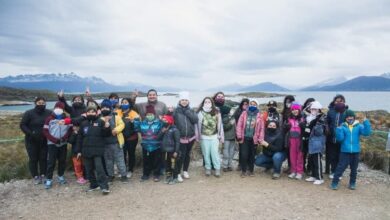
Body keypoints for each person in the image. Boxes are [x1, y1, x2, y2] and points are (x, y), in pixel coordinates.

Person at [330, 110, 371, 190]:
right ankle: (334, 183)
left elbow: (367, 133)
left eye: (351, 116)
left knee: (354, 169)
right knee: (340, 168)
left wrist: (366, 122)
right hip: (345, 151)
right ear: (345, 118)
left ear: (354, 117)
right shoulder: (342, 126)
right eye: (348, 117)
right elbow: (340, 139)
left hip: (355, 151)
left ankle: (352, 183)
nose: (350, 118)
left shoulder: (359, 126)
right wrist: (338, 130)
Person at [76, 105, 111, 195]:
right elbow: (80, 138)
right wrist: (79, 151)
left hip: (97, 150)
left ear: (96, 113)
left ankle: (104, 187)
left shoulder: (100, 122)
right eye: (89, 112)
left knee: (99, 169)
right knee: (88, 169)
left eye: (93, 112)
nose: (91, 113)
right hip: (86, 151)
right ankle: (94, 185)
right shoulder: (83, 124)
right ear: (86, 113)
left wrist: (107, 127)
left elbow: (106, 135)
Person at [20, 96, 52, 184]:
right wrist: (31, 133)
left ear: (45, 103)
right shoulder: (29, 113)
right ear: (35, 103)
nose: (41, 104)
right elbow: (23, 125)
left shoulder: (49, 112)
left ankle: (43, 174)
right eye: (39, 103)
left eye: (43, 103)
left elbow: (55, 122)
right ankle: (35, 176)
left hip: (45, 140)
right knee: (33, 158)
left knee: (43, 158)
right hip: (31, 140)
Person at [42, 102, 73, 189]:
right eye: (57, 107)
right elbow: (45, 131)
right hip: (52, 144)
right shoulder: (49, 119)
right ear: (54, 108)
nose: (58, 109)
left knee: (62, 160)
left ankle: (60, 175)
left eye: (61, 107)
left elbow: (70, 129)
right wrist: (54, 140)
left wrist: (64, 138)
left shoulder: (66, 118)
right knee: (51, 162)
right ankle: (49, 179)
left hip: (63, 143)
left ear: (63, 109)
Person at [100, 99, 128, 183]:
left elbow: (122, 124)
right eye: (103, 107)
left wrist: (116, 130)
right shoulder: (100, 118)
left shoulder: (116, 116)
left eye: (106, 107)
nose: (105, 109)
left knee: (120, 160)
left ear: (110, 108)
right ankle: (111, 175)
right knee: (108, 161)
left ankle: (123, 175)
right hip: (105, 144)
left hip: (116, 143)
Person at [134, 105, 164, 182]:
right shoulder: (143, 123)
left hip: (156, 145)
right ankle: (146, 174)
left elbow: (164, 129)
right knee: (146, 161)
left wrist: (163, 121)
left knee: (157, 160)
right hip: (146, 145)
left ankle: (156, 174)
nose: (149, 116)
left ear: (154, 115)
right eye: (148, 115)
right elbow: (137, 129)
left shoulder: (158, 123)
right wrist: (136, 121)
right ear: (146, 115)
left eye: (151, 114)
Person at [173, 91, 198, 181]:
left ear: (188, 101)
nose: (184, 101)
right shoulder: (175, 111)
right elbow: (173, 124)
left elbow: (195, 120)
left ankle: (185, 171)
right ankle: (178, 173)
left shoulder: (191, 110)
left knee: (187, 154)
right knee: (180, 155)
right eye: (182, 100)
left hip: (190, 137)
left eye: (186, 100)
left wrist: (188, 113)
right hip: (180, 138)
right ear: (179, 101)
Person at [236, 99, 265, 177]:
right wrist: (239, 136)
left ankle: (251, 170)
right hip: (244, 137)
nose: (252, 105)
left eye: (254, 104)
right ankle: (244, 170)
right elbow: (239, 125)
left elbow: (262, 128)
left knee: (252, 155)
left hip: (254, 139)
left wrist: (260, 139)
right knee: (244, 154)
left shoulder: (259, 116)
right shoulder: (244, 113)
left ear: (257, 106)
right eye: (251, 104)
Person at [196, 97, 224, 177]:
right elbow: (197, 125)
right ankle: (208, 168)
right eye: (205, 102)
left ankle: (217, 168)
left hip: (214, 137)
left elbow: (220, 124)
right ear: (203, 103)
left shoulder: (216, 112)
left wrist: (220, 135)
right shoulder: (199, 112)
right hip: (204, 137)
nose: (207, 103)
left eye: (209, 102)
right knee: (206, 154)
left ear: (212, 103)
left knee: (215, 153)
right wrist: (197, 136)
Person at [303, 101, 327, 185]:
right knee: (312, 160)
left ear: (319, 109)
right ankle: (313, 175)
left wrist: (312, 125)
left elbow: (319, 132)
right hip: (311, 141)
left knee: (317, 160)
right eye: (312, 109)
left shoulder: (321, 118)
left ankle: (320, 178)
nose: (313, 110)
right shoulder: (310, 117)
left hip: (318, 142)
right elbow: (304, 110)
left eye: (315, 109)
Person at [326, 94, 348, 179]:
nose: (338, 102)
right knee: (332, 156)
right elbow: (327, 122)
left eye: (341, 101)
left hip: (342, 139)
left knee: (340, 156)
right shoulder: (330, 111)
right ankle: (333, 171)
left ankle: (339, 172)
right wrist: (327, 128)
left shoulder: (346, 112)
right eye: (337, 101)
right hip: (331, 137)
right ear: (334, 102)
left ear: (344, 102)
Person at [118, 97, 140, 178]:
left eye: (126, 102)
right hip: (121, 138)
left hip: (132, 138)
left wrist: (133, 122)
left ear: (129, 104)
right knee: (122, 154)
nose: (124, 104)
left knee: (131, 154)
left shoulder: (134, 113)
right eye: (122, 102)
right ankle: (123, 170)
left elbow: (137, 127)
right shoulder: (117, 112)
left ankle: (130, 170)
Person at [285, 102, 304, 180]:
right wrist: (286, 126)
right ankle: (293, 171)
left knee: (300, 156)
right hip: (292, 139)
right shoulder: (289, 119)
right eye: (293, 109)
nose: (295, 111)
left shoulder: (302, 119)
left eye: (296, 109)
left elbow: (305, 129)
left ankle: (299, 172)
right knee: (292, 156)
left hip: (300, 139)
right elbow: (286, 128)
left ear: (299, 110)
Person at [160, 114, 180, 184]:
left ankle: (175, 178)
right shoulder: (162, 129)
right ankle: (169, 177)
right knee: (167, 165)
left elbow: (177, 142)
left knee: (173, 165)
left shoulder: (175, 130)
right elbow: (157, 138)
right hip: (164, 151)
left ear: (169, 121)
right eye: (163, 120)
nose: (164, 121)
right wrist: (162, 132)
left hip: (172, 151)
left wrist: (176, 151)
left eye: (165, 120)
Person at [233, 98, 249, 171]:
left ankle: (247, 164)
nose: (245, 105)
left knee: (248, 150)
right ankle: (240, 164)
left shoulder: (250, 112)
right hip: (240, 134)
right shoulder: (238, 111)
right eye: (243, 104)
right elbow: (235, 124)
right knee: (241, 150)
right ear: (241, 104)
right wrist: (237, 135)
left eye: (246, 104)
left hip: (248, 134)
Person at [221, 100, 236, 172]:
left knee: (232, 152)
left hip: (233, 137)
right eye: (230, 109)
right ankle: (225, 165)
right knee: (226, 153)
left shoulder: (233, 117)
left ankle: (229, 165)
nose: (232, 111)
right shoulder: (223, 118)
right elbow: (224, 128)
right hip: (226, 138)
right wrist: (230, 123)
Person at [301, 98, 315, 174]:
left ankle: (310, 167)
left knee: (311, 152)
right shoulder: (302, 113)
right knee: (303, 152)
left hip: (312, 136)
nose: (309, 105)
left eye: (311, 104)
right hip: (303, 135)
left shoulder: (316, 114)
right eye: (308, 103)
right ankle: (302, 166)